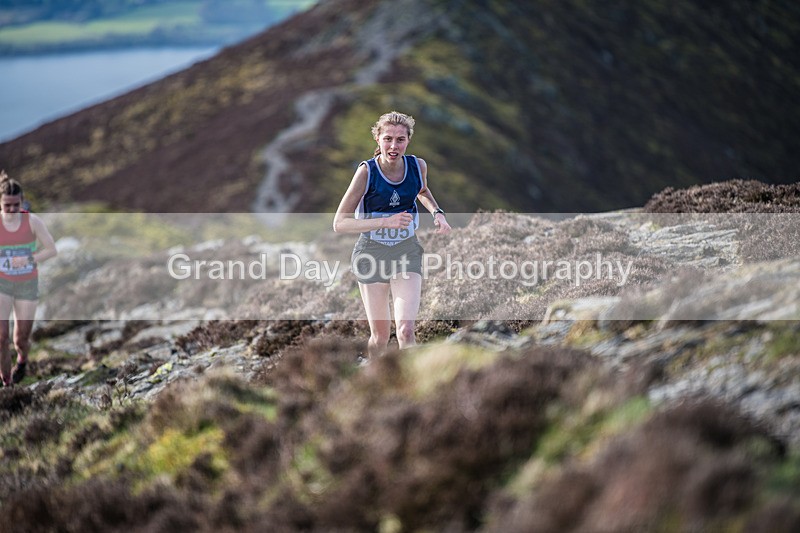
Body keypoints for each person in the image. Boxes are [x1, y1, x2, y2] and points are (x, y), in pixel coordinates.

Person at [333, 111, 451, 359]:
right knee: (381, 337)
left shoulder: (418, 166)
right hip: (371, 253)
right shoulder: (367, 173)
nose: (393, 146)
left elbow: (422, 191)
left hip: (406, 251)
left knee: (407, 331)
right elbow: (340, 223)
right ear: (377, 139)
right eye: (388, 139)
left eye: (400, 139)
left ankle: (414, 388)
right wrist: (387, 221)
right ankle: (374, 382)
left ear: (408, 140)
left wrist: (437, 212)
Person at [0, 171, 57, 387]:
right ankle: (7, 385)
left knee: (20, 339)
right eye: (7, 206)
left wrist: (29, 259)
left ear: (22, 201)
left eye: (16, 205)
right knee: (1, 338)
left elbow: (52, 250)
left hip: (26, 285)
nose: (12, 210)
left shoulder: (32, 222)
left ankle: (22, 359)